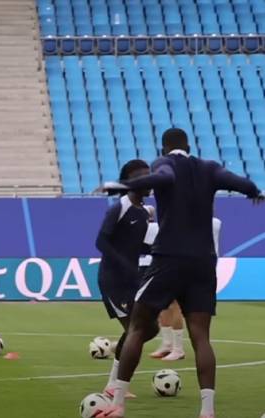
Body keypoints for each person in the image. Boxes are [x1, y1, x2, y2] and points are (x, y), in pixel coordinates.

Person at [99, 128, 262, 418]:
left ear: (164, 149)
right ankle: (207, 411)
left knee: (138, 327)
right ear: (188, 146)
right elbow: (239, 182)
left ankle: (118, 402)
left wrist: (123, 185)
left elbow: (163, 178)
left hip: (169, 258)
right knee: (201, 337)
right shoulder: (209, 167)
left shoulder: (165, 164)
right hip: (203, 262)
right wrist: (253, 191)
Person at [94, 160, 151, 399]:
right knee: (135, 329)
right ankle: (115, 386)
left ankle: (114, 383)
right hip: (113, 280)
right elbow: (101, 241)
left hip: (131, 280)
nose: (149, 180)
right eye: (143, 176)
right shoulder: (120, 208)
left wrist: (156, 251)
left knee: (147, 329)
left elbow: (136, 246)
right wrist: (125, 264)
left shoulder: (142, 212)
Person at [150, 217, 222, 362]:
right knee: (166, 305)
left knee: (175, 305)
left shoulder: (211, 222)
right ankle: (167, 344)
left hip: (194, 266)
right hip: (182, 263)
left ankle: (178, 348)